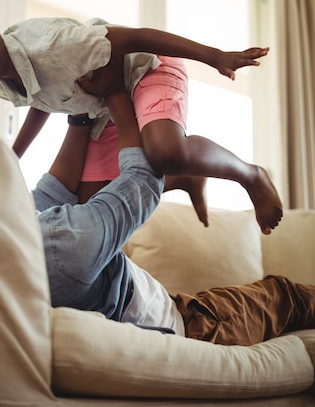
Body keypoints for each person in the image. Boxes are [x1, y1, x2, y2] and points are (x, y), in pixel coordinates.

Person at [0, 0, 283, 234]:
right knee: (91, 205)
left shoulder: (55, 45)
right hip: (102, 103)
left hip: (144, 69)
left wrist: (214, 56)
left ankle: (251, 175)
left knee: (164, 151)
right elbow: (41, 99)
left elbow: (137, 37)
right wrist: (11, 156)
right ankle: (183, 179)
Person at [34, 57, 314, 345]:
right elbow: (142, 176)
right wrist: (114, 90)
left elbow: (53, 192)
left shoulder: (19, 237)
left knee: (86, 200)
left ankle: (184, 178)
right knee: (287, 296)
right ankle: (243, 175)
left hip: (155, 300)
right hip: (191, 326)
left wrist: (81, 110)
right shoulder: (62, 250)